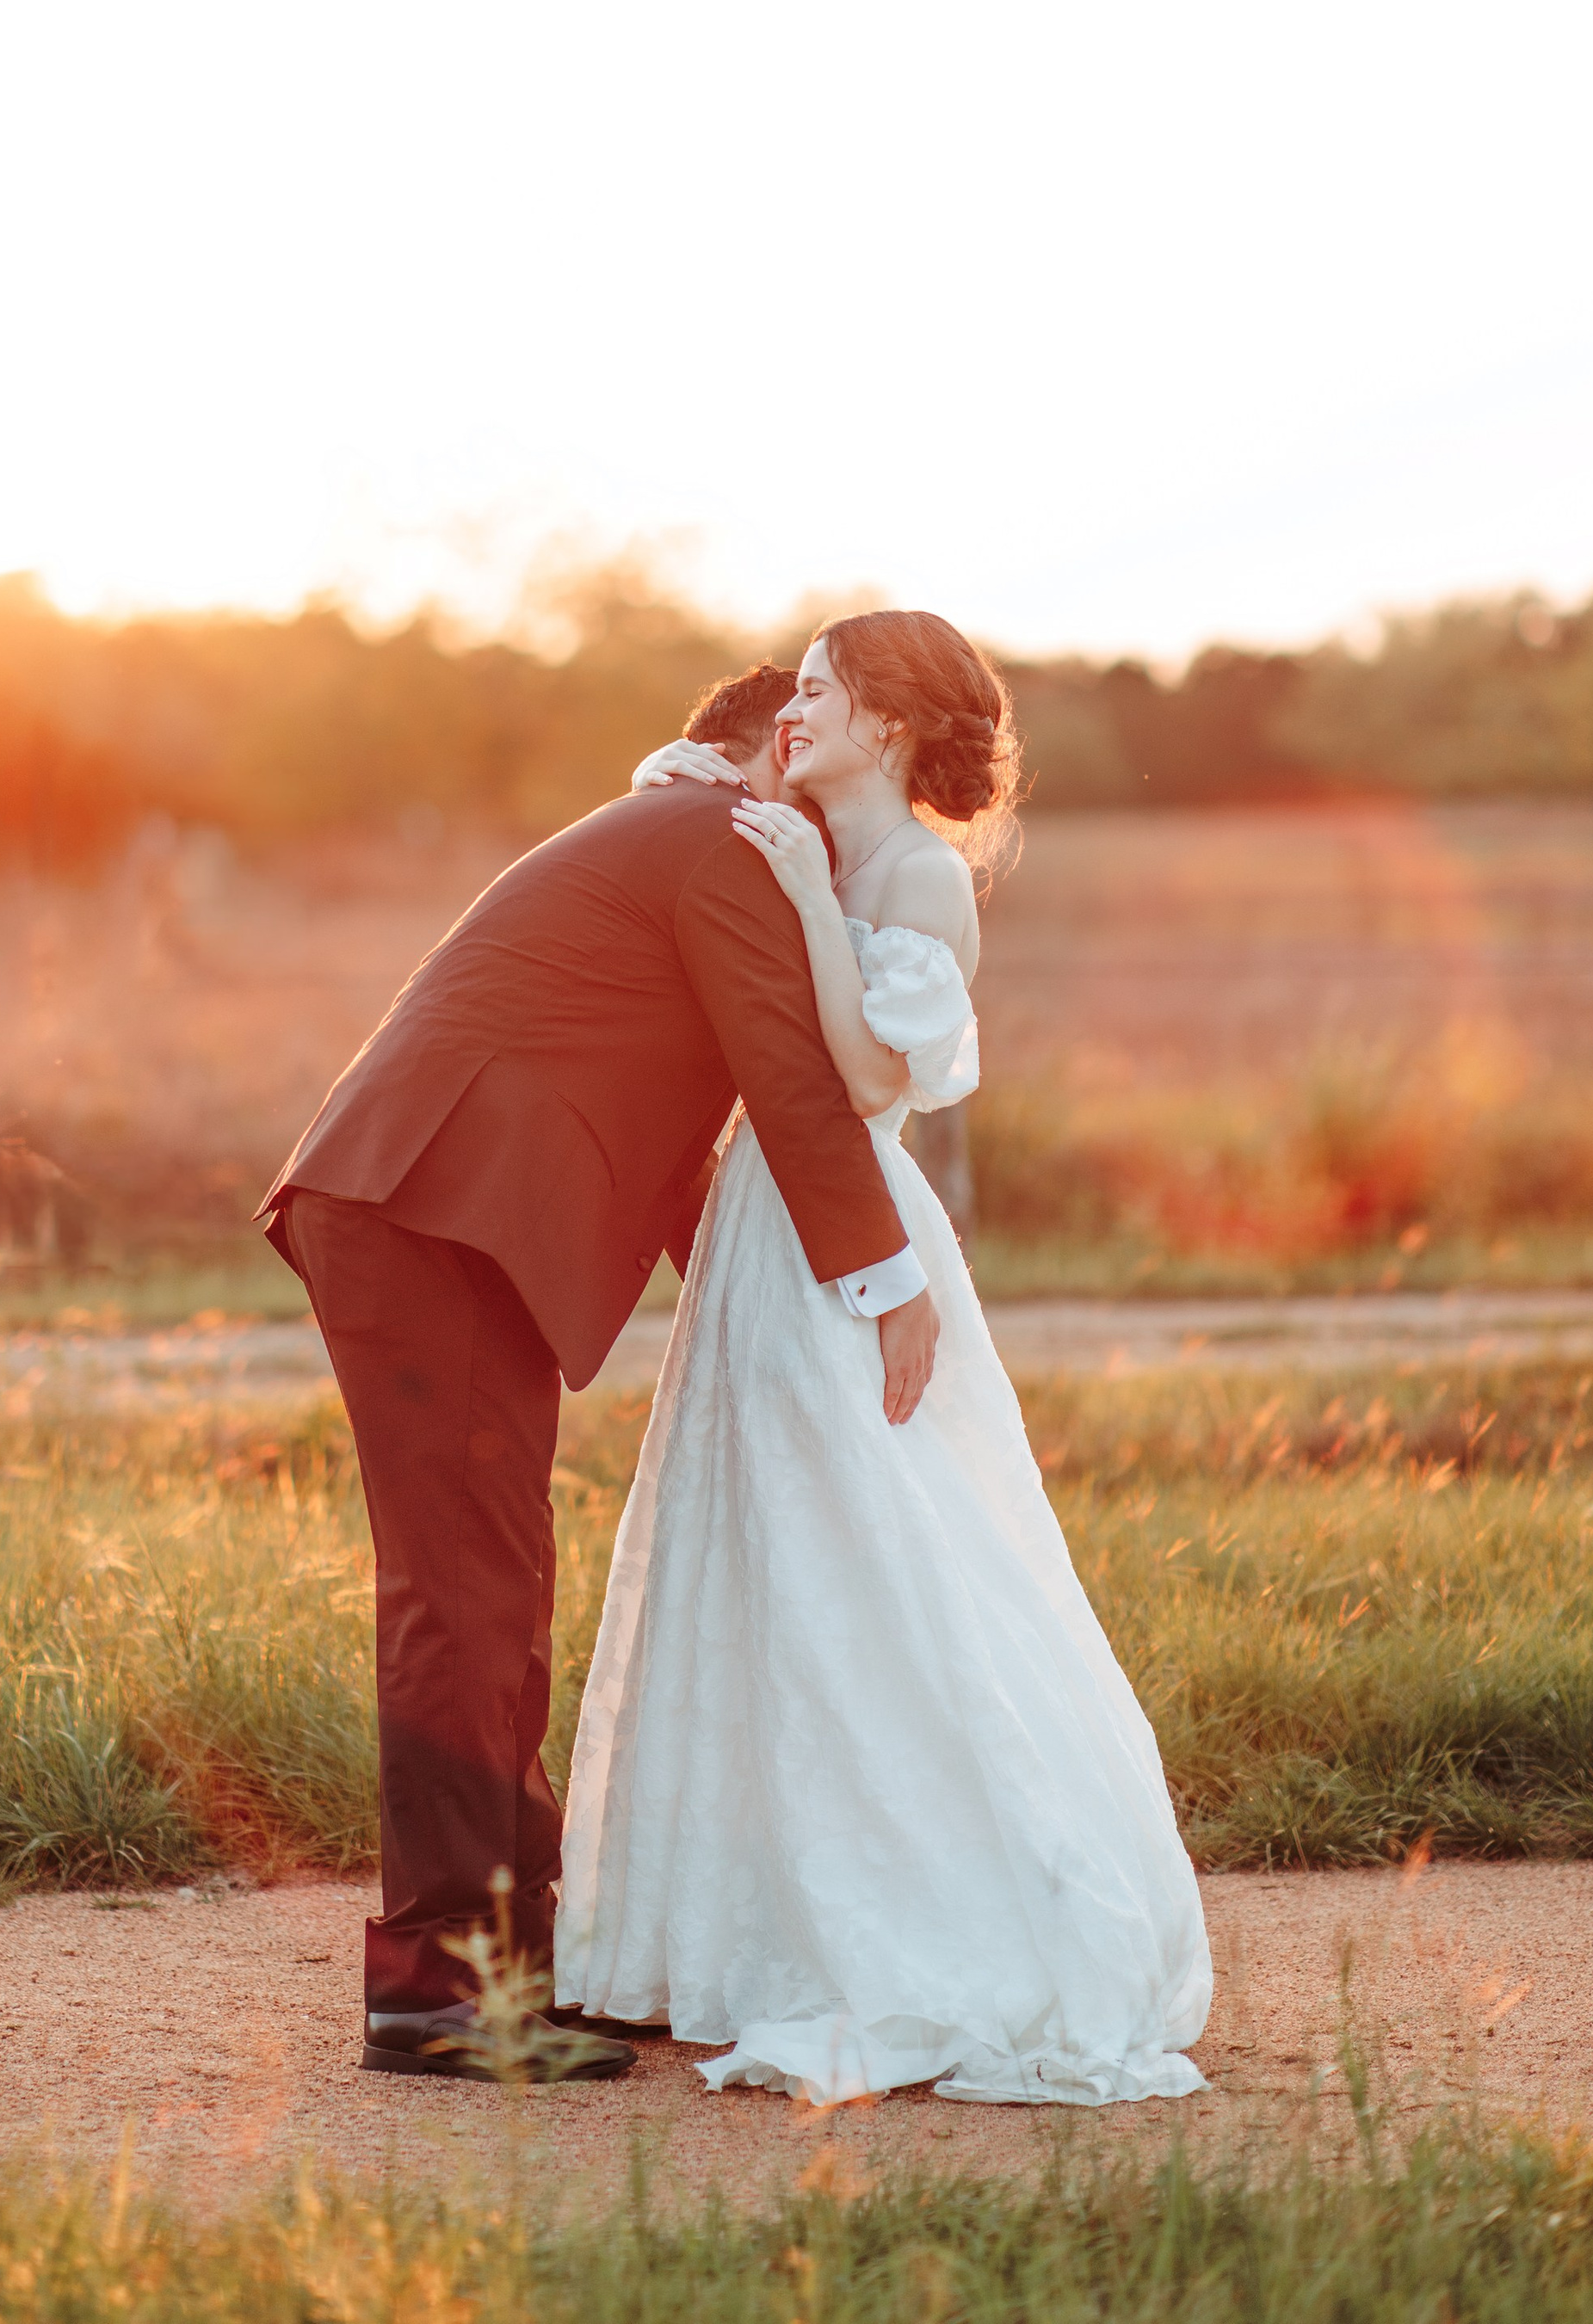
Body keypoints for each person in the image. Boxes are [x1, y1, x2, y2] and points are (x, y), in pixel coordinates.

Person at [553, 609, 1214, 2106]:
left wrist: (796, 900)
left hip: (841, 1228)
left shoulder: (918, 875)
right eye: (790, 688)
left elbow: (860, 1077)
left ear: (896, 725)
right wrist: (753, 808)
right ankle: (757, 1922)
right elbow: (672, 774)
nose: (793, 709)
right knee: (759, 1554)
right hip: (753, 1230)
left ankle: (950, 1918)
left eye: (820, 690)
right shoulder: (784, 824)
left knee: (877, 1543)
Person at [259, 655, 928, 2080]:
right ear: (750, 754)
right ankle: (442, 1995)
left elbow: (686, 1133)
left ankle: (508, 1961)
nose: (810, 807)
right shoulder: (717, 845)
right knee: (463, 1595)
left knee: (494, 1584)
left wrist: (773, 1318)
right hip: (423, 1215)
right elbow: (793, 1088)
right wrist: (884, 1287)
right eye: (797, 756)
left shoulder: (668, 843)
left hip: (431, 1216)